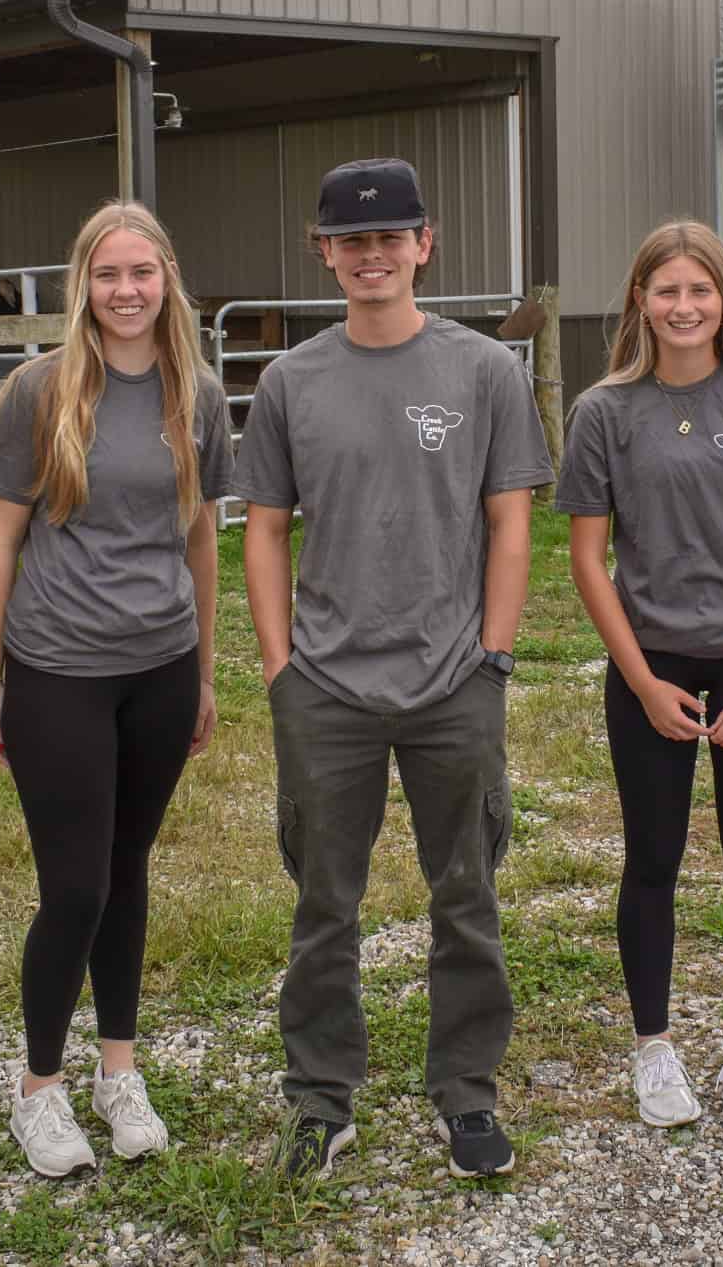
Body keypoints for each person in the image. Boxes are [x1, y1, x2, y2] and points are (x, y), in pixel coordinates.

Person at [233, 157, 556, 1180]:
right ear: (324, 253)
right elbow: (265, 530)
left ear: (425, 245)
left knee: (466, 890)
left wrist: (492, 657)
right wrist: (283, 668)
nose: (373, 255)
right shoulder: (291, 382)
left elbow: (512, 521)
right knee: (325, 903)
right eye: (352, 240)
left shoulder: (482, 373)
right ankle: (320, 1100)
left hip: (452, 678)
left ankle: (466, 1092)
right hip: (326, 687)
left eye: (392, 237)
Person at [0, 203, 231, 1177]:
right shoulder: (37, 393)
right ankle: (38, 1087)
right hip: (57, 672)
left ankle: (117, 1071)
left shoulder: (195, 394)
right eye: (108, 274)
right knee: (74, 886)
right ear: (83, 282)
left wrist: (204, 667)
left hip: (159, 669)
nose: (127, 291)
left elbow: (201, 532)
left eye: (143, 273)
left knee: (127, 874)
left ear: (167, 280)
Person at [557, 220, 723, 1128]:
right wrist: (639, 681)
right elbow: (590, 561)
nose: (682, 307)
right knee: (653, 860)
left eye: (699, 291)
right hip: (653, 663)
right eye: (665, 290)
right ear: (640, 299)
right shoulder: (603, 412)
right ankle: (655, 1049)